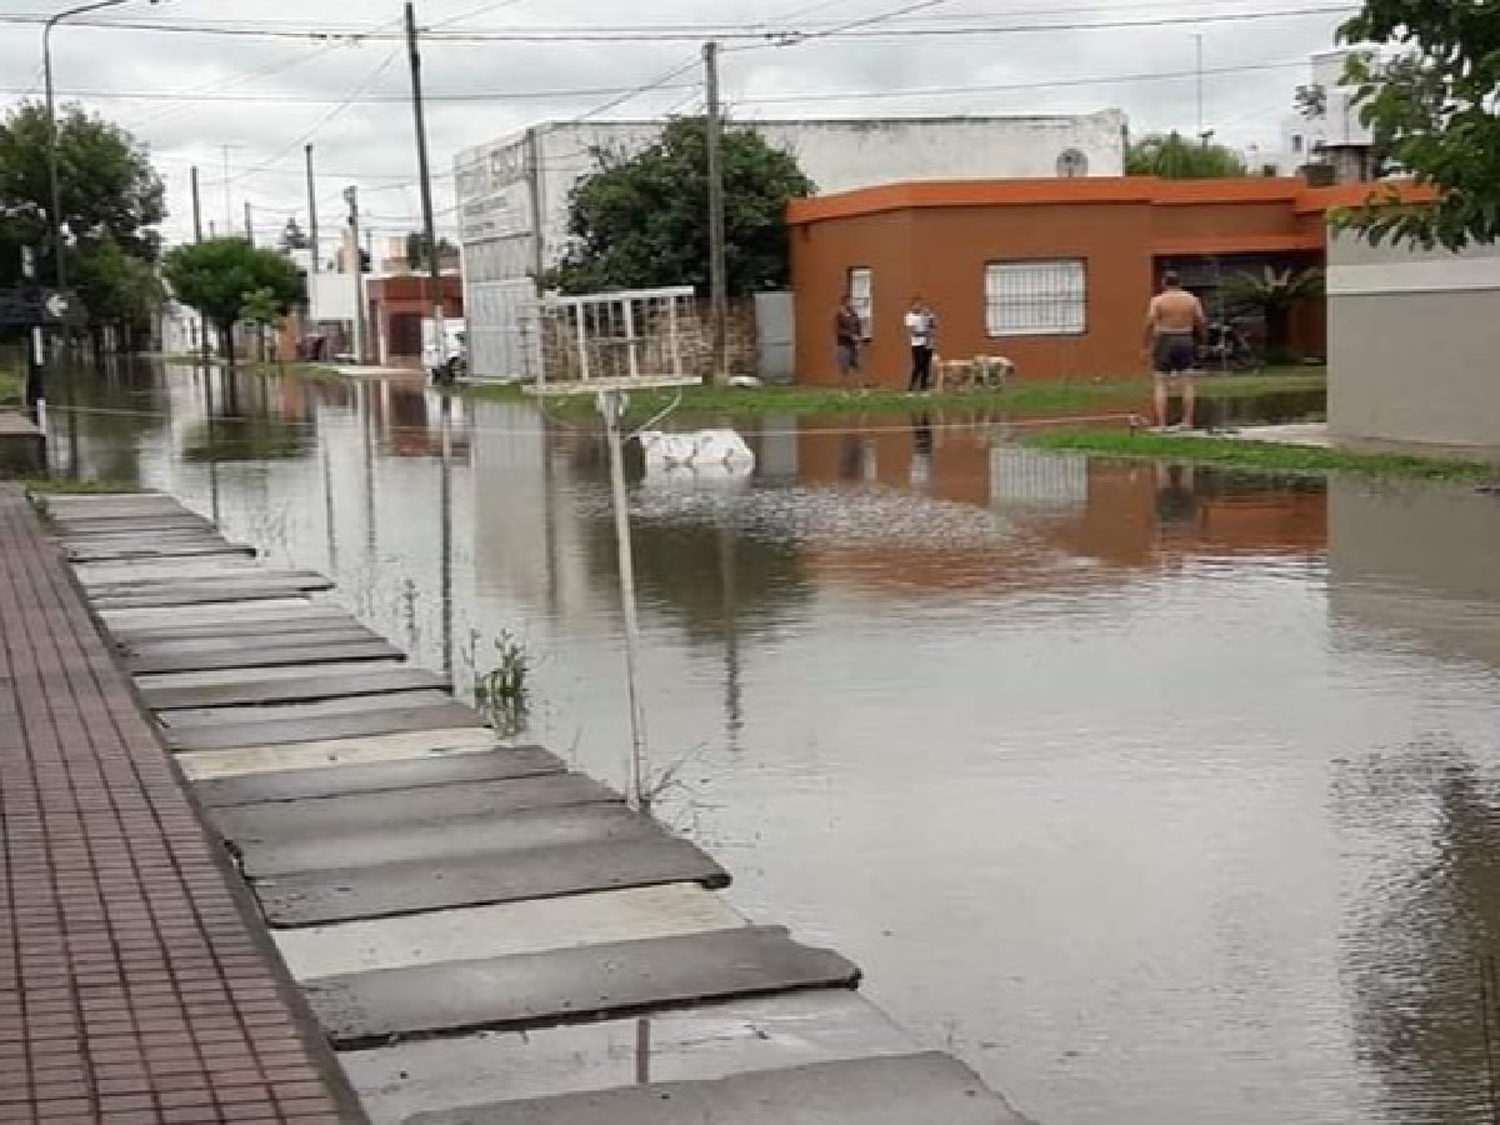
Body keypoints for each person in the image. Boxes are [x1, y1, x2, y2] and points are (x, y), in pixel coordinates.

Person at [1145, 270, 1206, 430]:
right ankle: (1187, 421)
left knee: (1161, 382)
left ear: (1164, 283)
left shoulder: (1158, 300)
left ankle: (1162, 424)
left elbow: (1150, 321)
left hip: (1165, 338)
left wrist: (1146, 342)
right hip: (1185, 337)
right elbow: (1200, 320)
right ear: (1180, 283)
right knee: (1187, 383)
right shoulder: (1192, 299)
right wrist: (1202, 339)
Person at [905, 297, 937, 393]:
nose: (918, 307)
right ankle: (910, 388)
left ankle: (924, 388)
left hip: (927, 344)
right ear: (912, 306)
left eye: (920, 305)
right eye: (916, 305)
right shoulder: (909, 316)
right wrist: (926, 333)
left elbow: (933, 326)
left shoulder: (924, 315)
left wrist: (931, 317)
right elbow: (913, 332)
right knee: (918, 365)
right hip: (917, 344)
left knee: (926, 366)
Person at [834, 297, 864, 387]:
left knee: (857, 367)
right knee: (844, 368)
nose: (852, 304)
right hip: (843, 345)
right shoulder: (839, 315)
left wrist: (859, 340)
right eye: (850, 302)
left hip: (853, 346)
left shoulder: (855, 315)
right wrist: (850, 335)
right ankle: (845, 390)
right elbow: (838, 330)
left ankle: (861, 389)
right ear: (845, 303)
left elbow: (859, 328)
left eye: (852, 302)